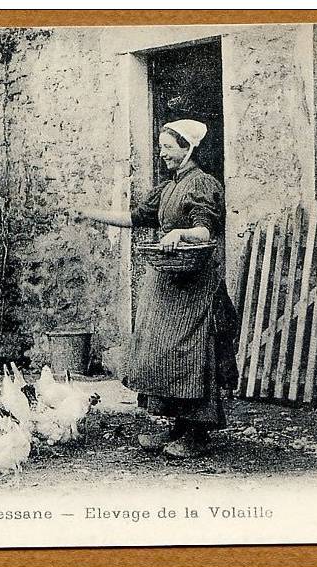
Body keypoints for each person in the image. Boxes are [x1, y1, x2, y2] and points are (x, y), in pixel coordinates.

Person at [74, 119, 239, 458]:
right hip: (167, 286)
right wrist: (91, 213)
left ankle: (197, 432)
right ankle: (178, 424)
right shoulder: (167, 188)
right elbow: (135, 217)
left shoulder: (203, 185)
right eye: (161, 147)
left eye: (168, 147)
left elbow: (205, 233)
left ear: (188, 149)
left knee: (189, 352)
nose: (162, 153)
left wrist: (180, 234)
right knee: (160, 353)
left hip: (193, 287)